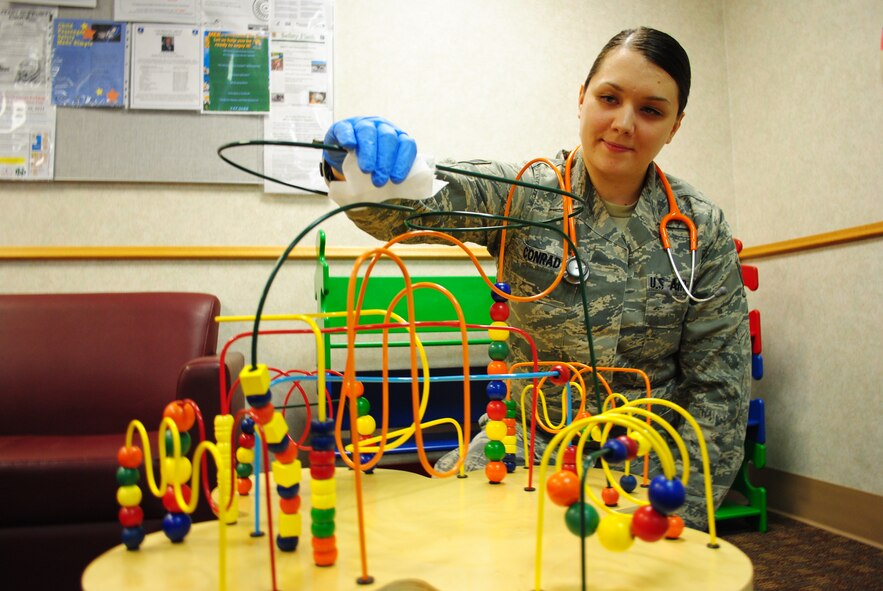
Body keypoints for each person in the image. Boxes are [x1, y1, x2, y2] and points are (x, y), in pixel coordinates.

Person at [320, 27, 750, 531]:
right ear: (582, 98)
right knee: (453, 535)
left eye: (652, 111)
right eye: (608, 98)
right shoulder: (522, 194)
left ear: (675, 126)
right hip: (526, 444)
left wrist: (685, 513)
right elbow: (402, 212)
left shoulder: (701, 227)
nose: (624, 124)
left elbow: (719, 388)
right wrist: (353, 170)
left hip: (647, 459)